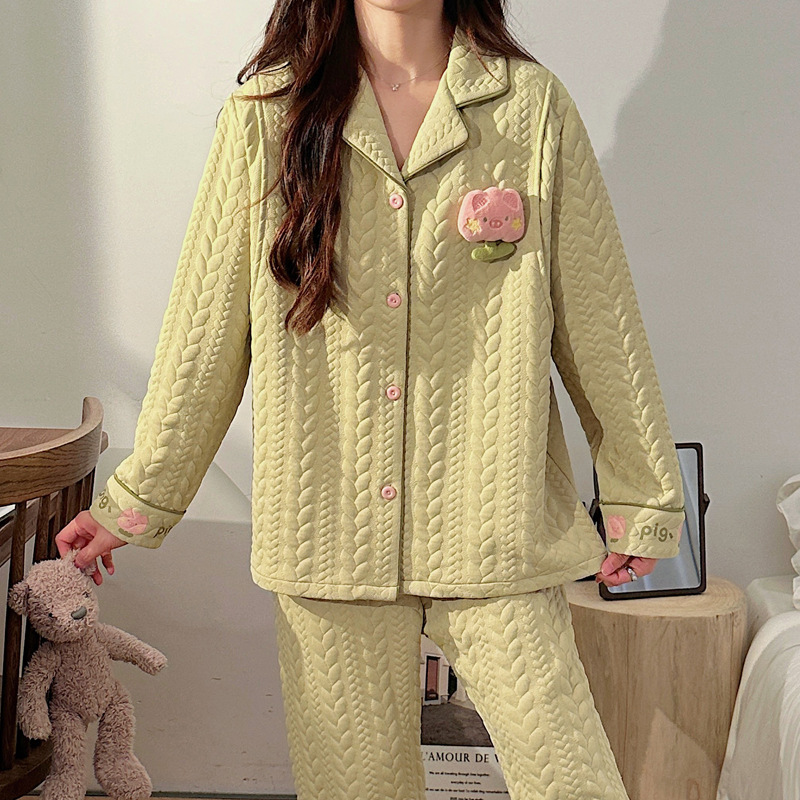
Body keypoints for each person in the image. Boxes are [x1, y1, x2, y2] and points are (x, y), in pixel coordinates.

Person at [56, 1, 687, 798]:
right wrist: (138, 498)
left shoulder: (529, 108)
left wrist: (642, 495)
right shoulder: (266, 116)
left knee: (573, 778)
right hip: (329, 527)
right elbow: (206, 333)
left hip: (496, 520)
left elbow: (600, 318)